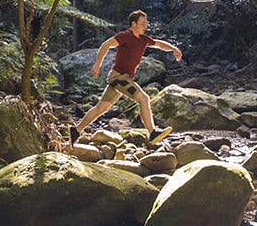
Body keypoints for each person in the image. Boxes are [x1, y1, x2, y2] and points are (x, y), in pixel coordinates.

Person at [70, 10, 183, 147]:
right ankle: (152, 132)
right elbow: (105, 45)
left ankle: (75, 130)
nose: (145, 26)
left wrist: (173, 49)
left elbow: (158, 44)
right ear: (133, 24)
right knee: (144, 98)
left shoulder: (143, 39)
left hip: (121, 78)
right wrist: (97, 64)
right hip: (118, 77)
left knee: (101, 108)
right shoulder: (125, 36)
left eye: (145, 23)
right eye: (142, 23)